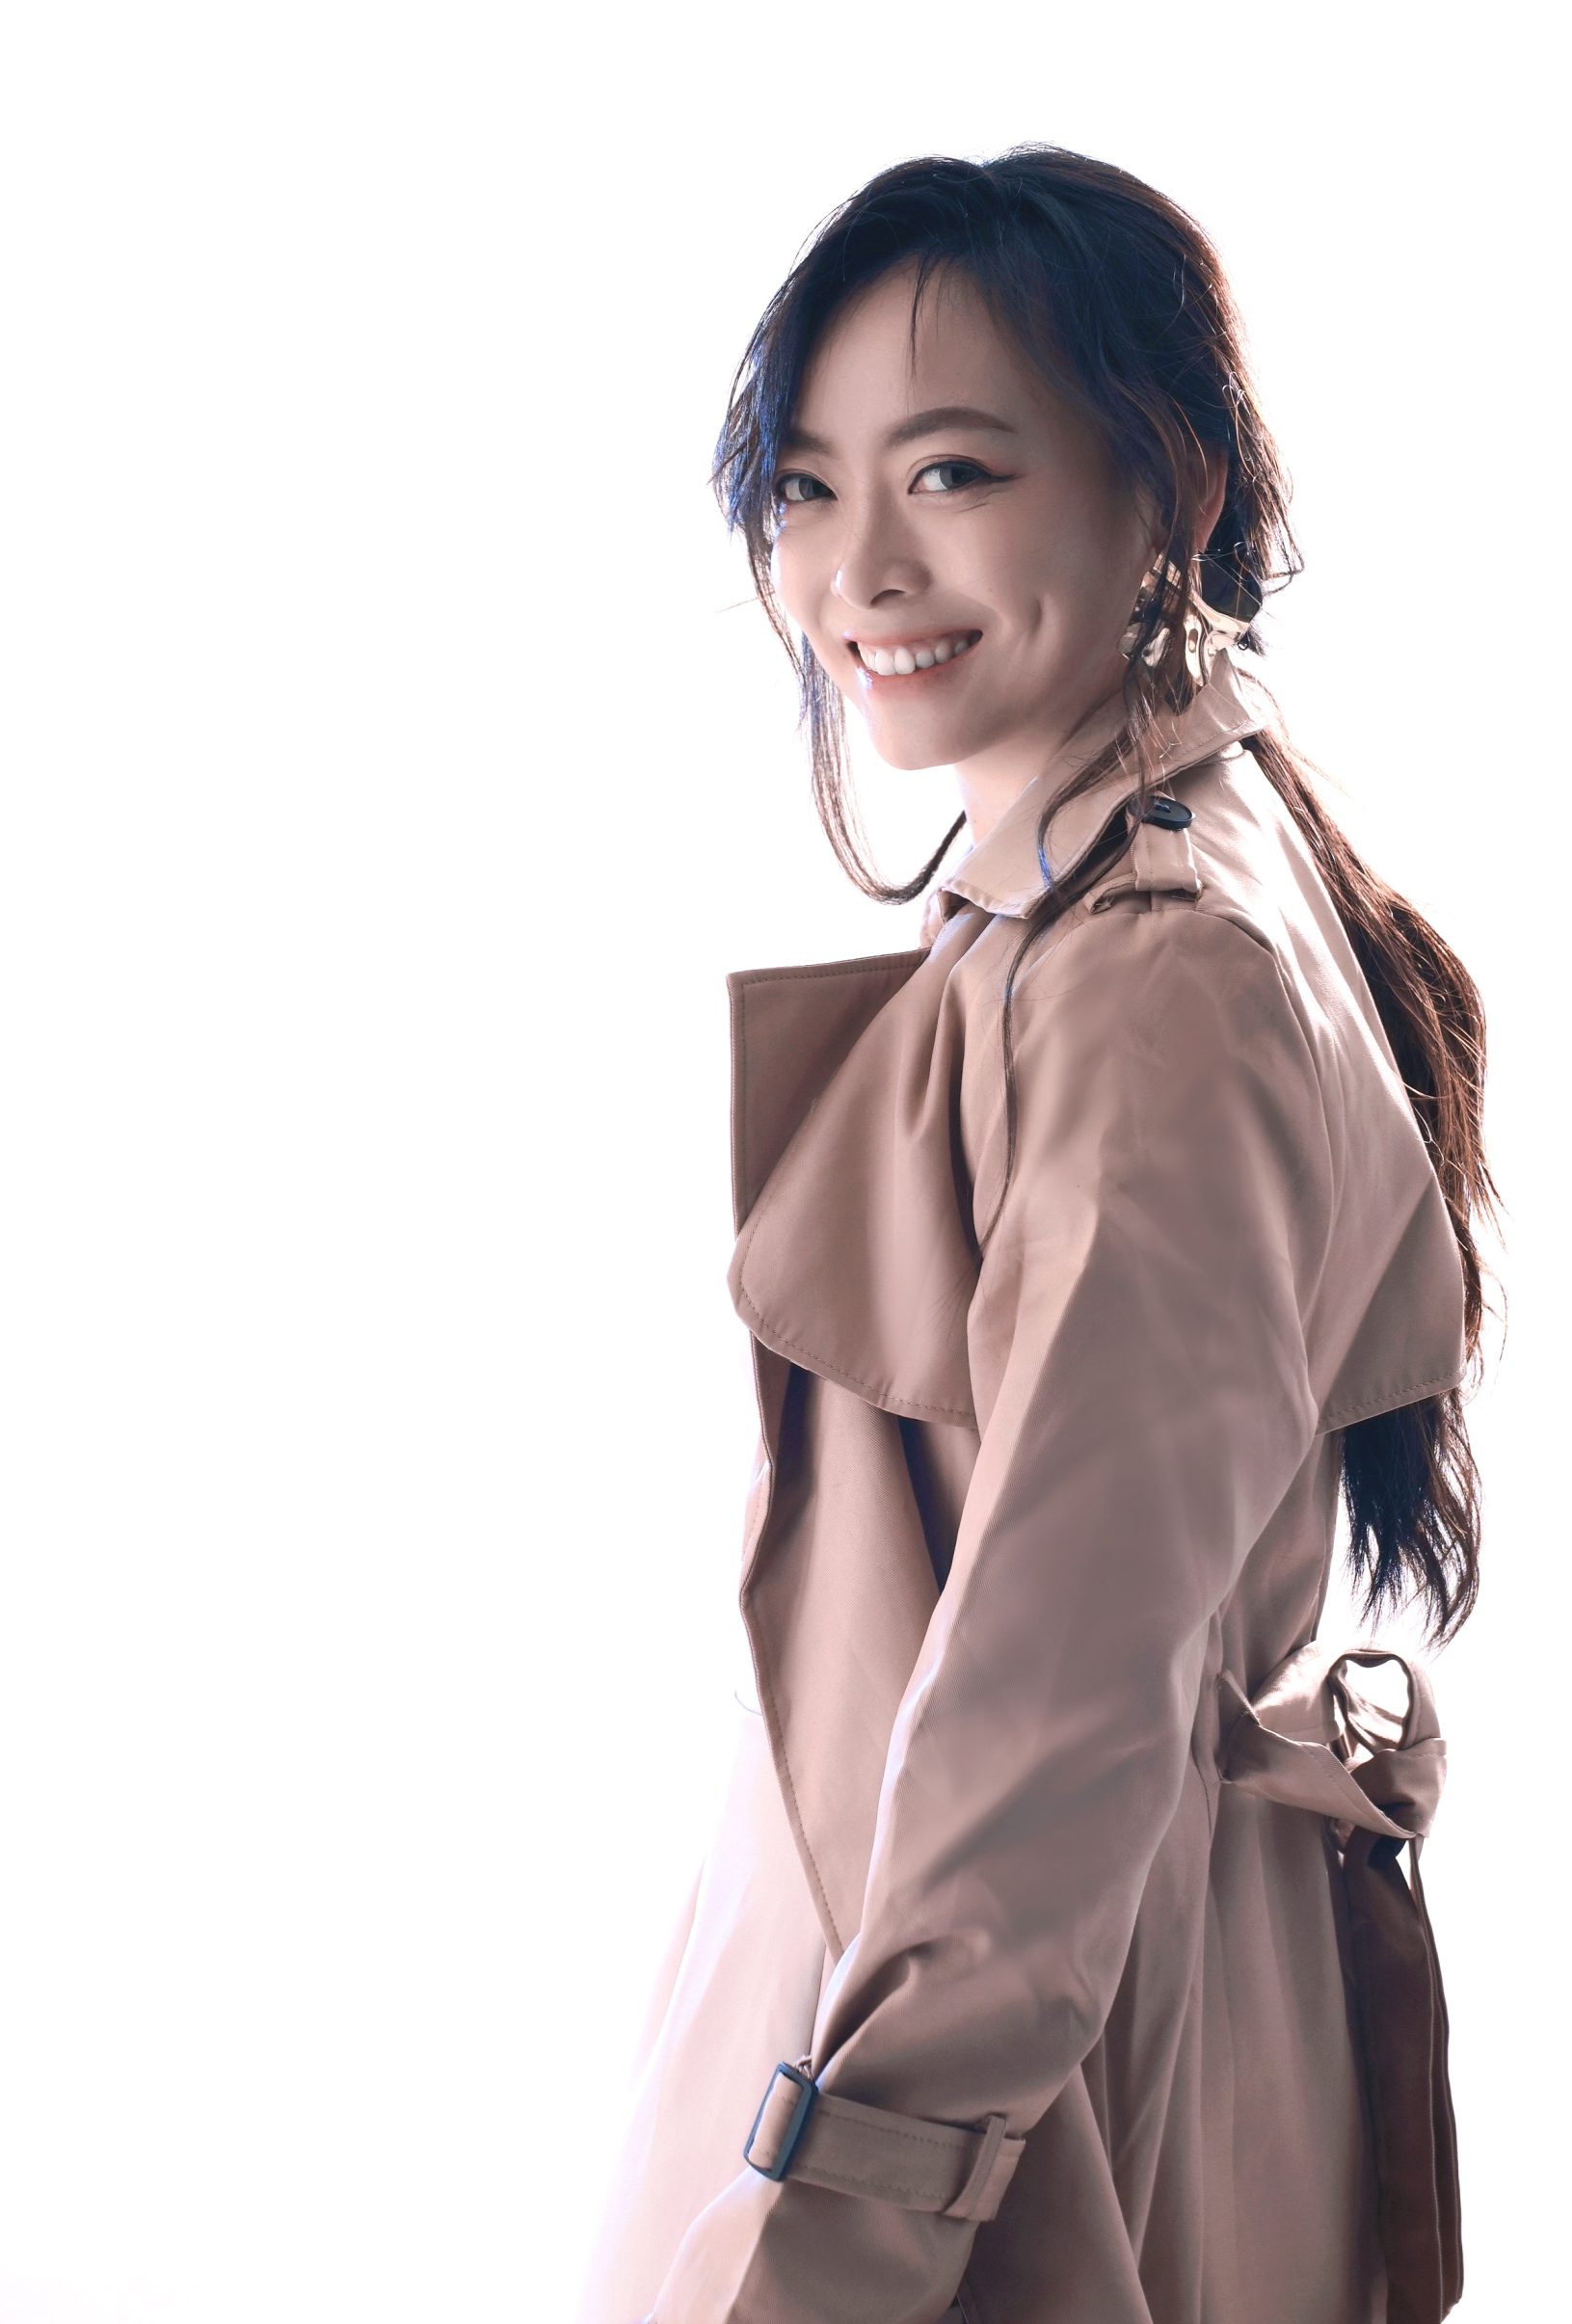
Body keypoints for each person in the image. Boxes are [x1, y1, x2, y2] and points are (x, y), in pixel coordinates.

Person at [576, 145, 1496, 2324]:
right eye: (804, 489)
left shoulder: (1155, 969)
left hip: (1015, 2094)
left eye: (952, 472)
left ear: (1167, 484)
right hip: (1003, 2014)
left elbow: (1059, 1694)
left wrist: (841, 2226)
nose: (855, 571)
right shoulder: (1106, 887)